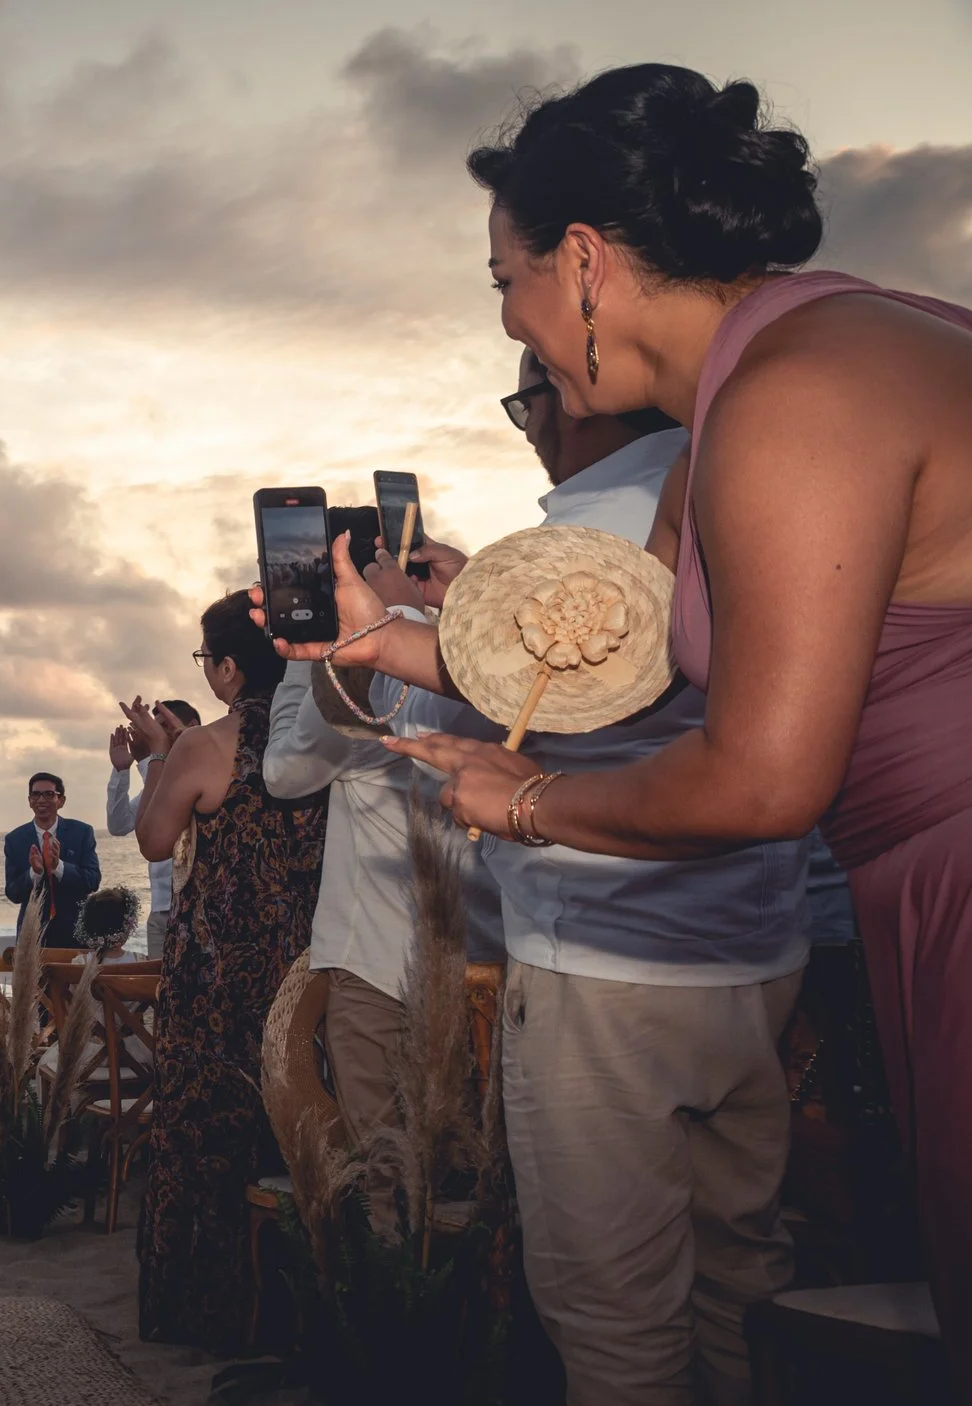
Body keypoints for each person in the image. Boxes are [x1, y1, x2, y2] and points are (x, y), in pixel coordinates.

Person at [392, 66, 972, 1390]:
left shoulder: (791, 399)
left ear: (583, 263)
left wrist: (526, 805)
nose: (511, 324)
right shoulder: (766, 378)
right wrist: (411, 644)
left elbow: (762, 776)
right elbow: (643, 654)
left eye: (505, 280)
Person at [312, 344, 813, 1399]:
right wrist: (427, 627)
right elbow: (638, 681)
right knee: (744, 1282)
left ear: (575, 390)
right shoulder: (750, 480)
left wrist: (427, 648)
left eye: (523, 393)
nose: (525, 422)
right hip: (755, 947)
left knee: (614, 1316)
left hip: (604, 959)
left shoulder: (580, 541)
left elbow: (523, 693)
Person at [128, 592, 326, 1351]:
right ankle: (300, 1307)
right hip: (310, 965)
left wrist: (158, 755)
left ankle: (211, 1306)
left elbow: (152, 839)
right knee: (301, 1126)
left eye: (206, 659)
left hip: (219, 969)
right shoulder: (325, 735)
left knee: (208, 1129)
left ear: (229, 666)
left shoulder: (209, 743)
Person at [260, 661, 416, 1145]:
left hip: (378, 959)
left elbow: (283, 772)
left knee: (384, 1154)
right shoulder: (471, 664)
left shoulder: (364, 671)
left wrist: (295, 669)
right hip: (481, 942)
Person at [106, 697, 200, 955]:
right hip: (159, 909)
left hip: (193, 905)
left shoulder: (201, 773)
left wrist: (149, 760)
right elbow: (119, 824)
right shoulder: (153, 773)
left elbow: (167, 798)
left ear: (190, 726)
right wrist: (121, 771)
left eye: (163, 727)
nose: (156, 734)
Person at [2, 773, 101, 951]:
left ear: (61, 800)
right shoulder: (15, 839)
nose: (41, 800)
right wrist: (34, 873)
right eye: (36, 794)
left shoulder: (81, 832)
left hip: (76, 933)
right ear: (29, 800)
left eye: (48, 794)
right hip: (32, 934)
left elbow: (92, 881)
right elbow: (13, 893)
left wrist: (59, 867)